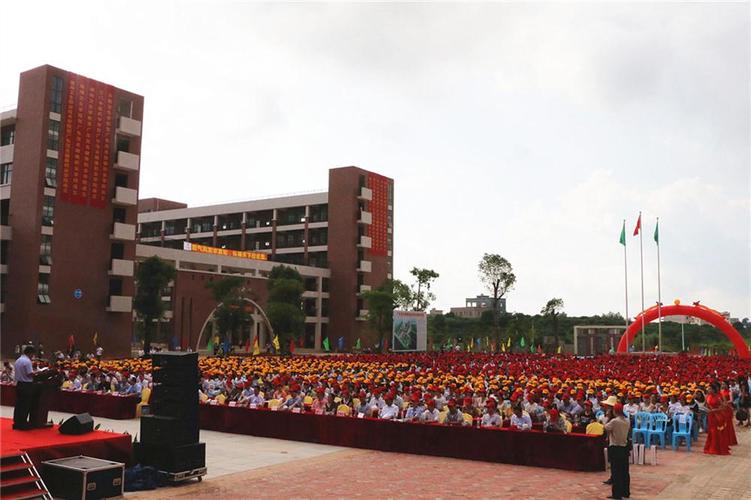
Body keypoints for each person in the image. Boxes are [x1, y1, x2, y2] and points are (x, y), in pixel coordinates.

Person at [603, 402, 631, 500]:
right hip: (624, 447)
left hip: (615, 448)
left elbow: (605, 427)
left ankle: (617, 494)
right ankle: (625, 492)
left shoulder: (614, 421)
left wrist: (607, 416)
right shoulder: (627, 421)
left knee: (616, 472)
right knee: (624, 471)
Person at [13, 346, 37, 430]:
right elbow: (29, 374)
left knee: (19, 404)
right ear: (30, 353)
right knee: (25, 405)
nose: (33, 356)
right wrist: (37, 373)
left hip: (19, 384)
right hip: (26, 385)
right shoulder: (27, 361)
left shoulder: (18, 360)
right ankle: (23, 423)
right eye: (33, 354)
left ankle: (16, 422)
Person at [703, 383, 730, 455]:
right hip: (710, 416)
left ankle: (715, 448)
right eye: (708, 389)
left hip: (717, 416)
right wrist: (706, 409)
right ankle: (711, 447)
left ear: (714, 390)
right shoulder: (707, 396)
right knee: (711, 432)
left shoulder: (718, 397)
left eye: (710, 389)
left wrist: (714, 410)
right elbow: (705, 405)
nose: (708, 390)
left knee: (715, 431)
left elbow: (723, 407)